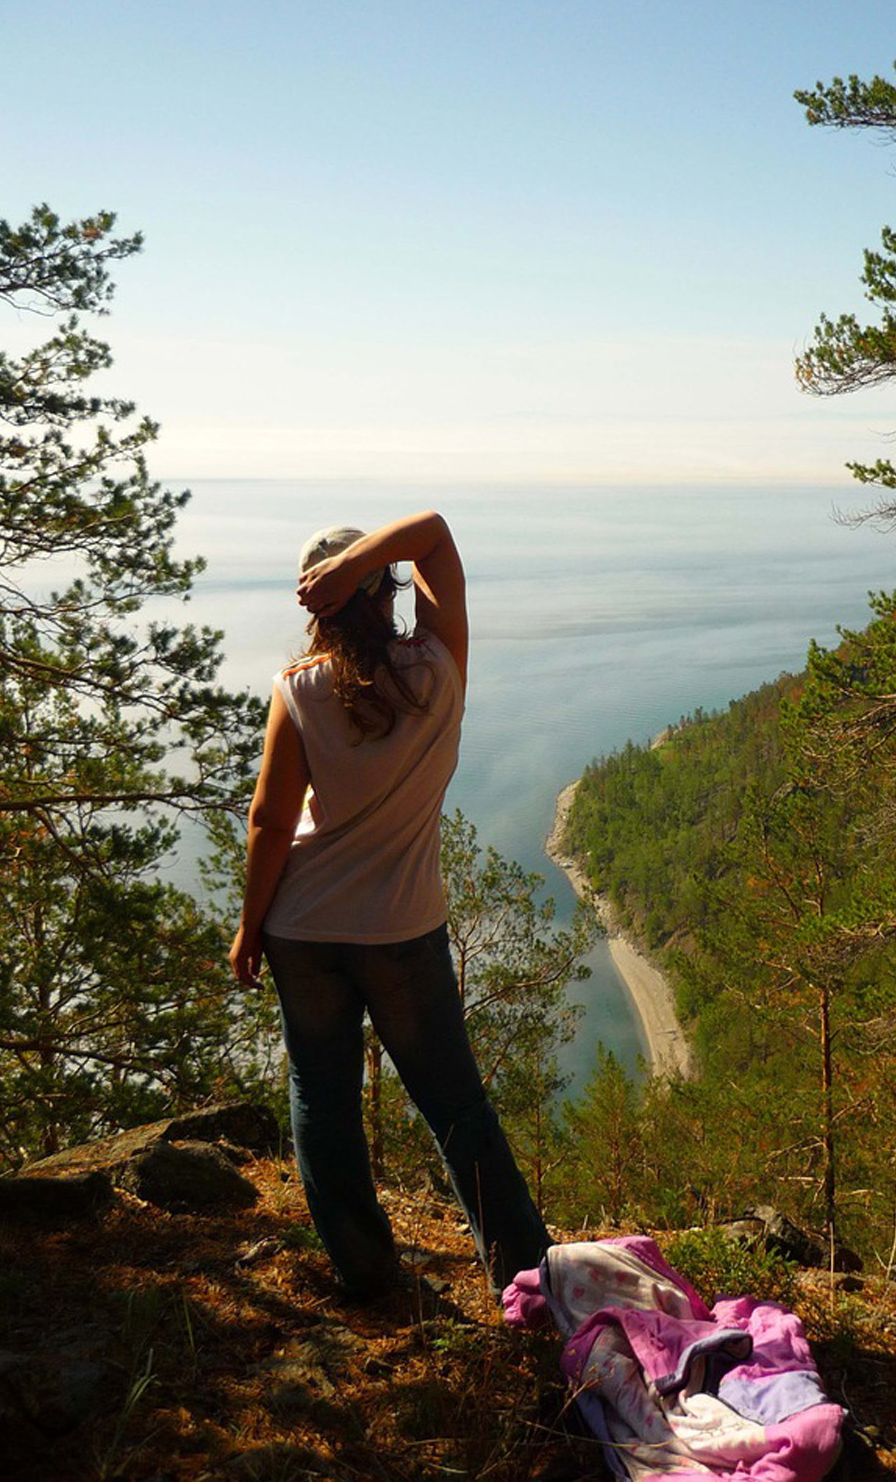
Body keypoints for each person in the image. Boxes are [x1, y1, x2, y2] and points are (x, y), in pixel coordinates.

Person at [228, 509, 550, 1301]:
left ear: (324, 603)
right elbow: (435, 531)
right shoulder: (439, 668)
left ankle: (368, 1275)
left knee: (322, 1096)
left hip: (301, 931)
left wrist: (248, 929)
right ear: (384, 586)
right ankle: (529, 1277)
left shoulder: (297, 692)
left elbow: (272, 822)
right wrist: (362, 566)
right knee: (456, 1108)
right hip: (401, 933)